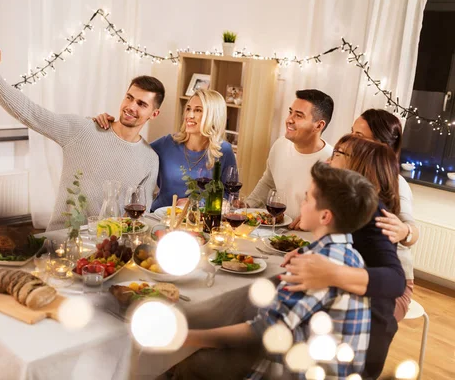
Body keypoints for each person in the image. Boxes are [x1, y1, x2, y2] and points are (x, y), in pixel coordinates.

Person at [172, 162, 378, 380]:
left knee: (189, 363)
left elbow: (263, 331)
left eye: (307, 198)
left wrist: (186, 337)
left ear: (325, 217)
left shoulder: (316, 266)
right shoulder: (351, 255)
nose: (302, 202)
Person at [0, 41, 160, 230]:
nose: (131, 107)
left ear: (154, 114)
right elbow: (30, 113)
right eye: (129, 98)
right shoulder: (83, 129)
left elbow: (139, 217)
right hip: (62, 240)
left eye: (141, 104)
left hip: (109, 249)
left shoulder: (150, 159)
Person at [281, 135, 407, 378]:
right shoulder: (354, 208)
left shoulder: (375, 214)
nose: (328, 159)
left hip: (361, 338)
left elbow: (395, 280)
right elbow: (351, 247)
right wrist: (309, 251)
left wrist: (331, 273)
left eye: (338, 153)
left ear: (359, 165)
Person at [93, 89, 236, 211]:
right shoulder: (167, 144)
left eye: (198, 110)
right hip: (159, 218)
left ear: (213, 115)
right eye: (188, 109)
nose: (189, 115)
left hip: (200, 222)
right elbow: (132, 152)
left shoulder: (224, 151)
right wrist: (111, 129)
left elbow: (229, 195)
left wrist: (197, 204)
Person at [352, 109, 419, 320]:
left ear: (381, 146)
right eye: (351, 132)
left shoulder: (397, 184)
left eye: (358, 137)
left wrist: (405, 231)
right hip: (356, 272)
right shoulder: (350, 176)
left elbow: (413, 231)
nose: (350, 140)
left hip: (393, 286)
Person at [245, 89, 334, 221]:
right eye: (290, 112)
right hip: (277, 230)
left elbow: (334, 210)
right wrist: (248, 204)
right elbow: (268, 182)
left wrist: (312, 219)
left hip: (309, 236)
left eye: (298, 115)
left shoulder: (332, 161)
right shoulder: (280, 145)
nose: (289, 120)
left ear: (318, 125)